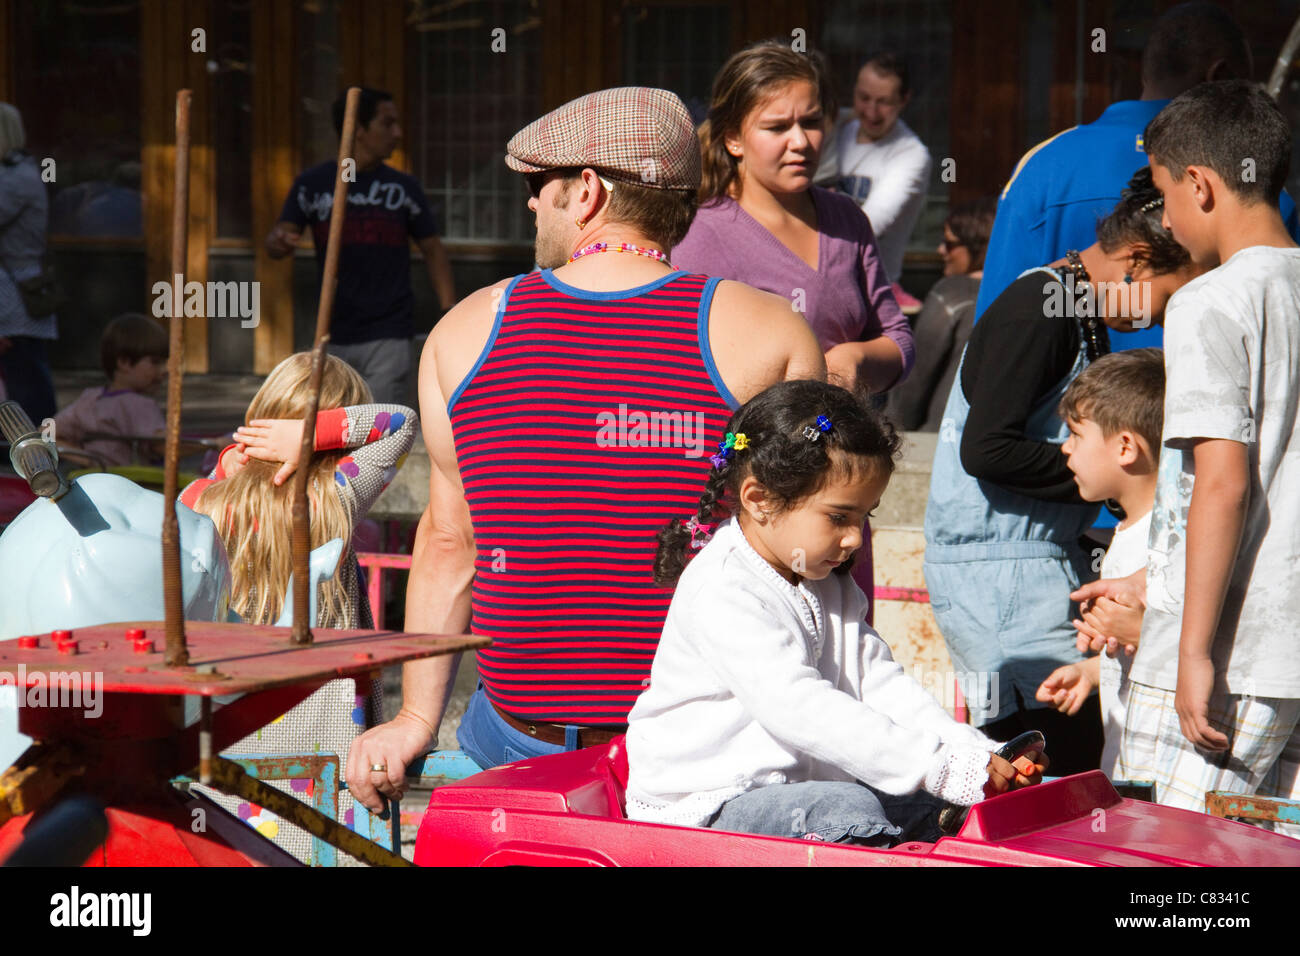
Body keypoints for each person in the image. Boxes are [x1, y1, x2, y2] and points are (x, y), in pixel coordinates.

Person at [345, 87, 826, 812]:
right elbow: (806, 556)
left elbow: (451, 544)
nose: (532, 206)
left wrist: (415, 719)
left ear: (588, 191)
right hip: (705, 748)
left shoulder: (462, 331)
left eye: (540, 187)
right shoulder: (773, 332)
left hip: (515, 747)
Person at [625, 380, 1046, 843]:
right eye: (839, 517)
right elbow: (801, 708)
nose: (855, 538)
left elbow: (881, 684)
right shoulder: (723, 587)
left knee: (946, 801)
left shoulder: (826, 581)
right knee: (845, 809)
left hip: (796, 791)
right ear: (758, 499)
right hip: (708, 802)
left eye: (865, 516)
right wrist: (938, 765)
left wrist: (971, 753)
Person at [922, 167, 1200, 776]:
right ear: (1138, 260)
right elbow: (988, 449)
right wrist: (1124, 478)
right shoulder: (1040, 312)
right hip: (1001, 579)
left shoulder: (1074, 309)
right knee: (1049, 758)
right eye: (1171, 293)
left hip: (1034, 565)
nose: (1161, 315)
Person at [1077, 81, 1300, 826]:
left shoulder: (1210, 300)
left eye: (1167, 196)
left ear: (1201, 186)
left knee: (1170, 851)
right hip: (1286, 651)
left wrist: (1194, 651)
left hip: (1237, 647)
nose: (1165, 219)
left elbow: (1224, 485)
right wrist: (1154, 570)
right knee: (1261, 848)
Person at [671, 40, 914, 621]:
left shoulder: (847, 220)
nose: (800, 141)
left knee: (843, 649)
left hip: (842, 489)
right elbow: (680, 367)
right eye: (776, 126)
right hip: (746, 491)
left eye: (811, 121)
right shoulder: (699, 234)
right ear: (733, 137)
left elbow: (899, 339)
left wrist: (854, 360)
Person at [180, 351, 417, 860]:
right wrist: (317, 434)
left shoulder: (198, 504)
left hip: (227, 749)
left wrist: (229, 463)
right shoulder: (335, 496)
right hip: (330, 755)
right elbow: (401, 424)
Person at [973, 2, 1299, 346]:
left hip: (1072, 398)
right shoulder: (1254, 190)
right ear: (1220, 77)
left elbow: (996, 328)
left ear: (1146, 75)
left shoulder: (1043, 167)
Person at [266, 88, 455, 404]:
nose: (397, 133)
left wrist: (449, 310)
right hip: (333, 330)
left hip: (390, 331)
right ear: (358, 129)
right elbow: (279, 240)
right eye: (387, 123)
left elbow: (432, 249)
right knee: (333, 426)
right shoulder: (313, 185)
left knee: (379, 427)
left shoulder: (402, 188)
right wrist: (278, 241)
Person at [1034, 349, 1163, 777]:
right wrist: (1091, 672)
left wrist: (1143, 634)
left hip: (1168, 770)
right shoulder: (1128, 531)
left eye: (1075, 433)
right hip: (1129, 762)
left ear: (1126, 446)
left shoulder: (1170, 542)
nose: (1065, 448)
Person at [813, 51, 932, 311]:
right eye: (863, 98)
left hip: (870, 289)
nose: (871, 111)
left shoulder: (911, 155)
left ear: (904, 100)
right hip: (814, 276)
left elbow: (870, 224)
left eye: (884, 102)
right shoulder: (838, 126)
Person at [885, 197, 995, 431]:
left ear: (979, 245)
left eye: (949, 243)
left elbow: (915, 380)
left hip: (937, 440)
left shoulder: (952, 294)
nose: (941, 250)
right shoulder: (1021, 294)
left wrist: (892, 428)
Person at [0, 103, 57, 425]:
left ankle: (35, 450)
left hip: (17, 292)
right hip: (16, 287)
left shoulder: (14, 178)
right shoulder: (16, 172)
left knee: (25, 373)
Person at [53, 313, 167, 467]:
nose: (164, 371)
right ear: (124, 362)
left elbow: (47, 434)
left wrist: (90, 460)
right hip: (135, 485)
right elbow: (164, 447)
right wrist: (207, 443)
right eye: (155, 362)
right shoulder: (140, 405)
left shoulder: (90, 400)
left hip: (95, 481)